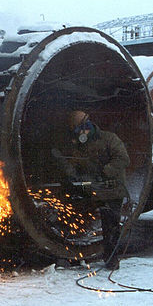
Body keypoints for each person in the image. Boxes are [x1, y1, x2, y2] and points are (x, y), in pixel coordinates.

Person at [52, 110, 130, 270]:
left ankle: (112, 258)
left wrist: (106, 171)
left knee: (110, 226)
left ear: (88, 126)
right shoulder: (79, 146)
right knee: (72, 216)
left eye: (83, 129)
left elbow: (123, 159)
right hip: (92, 190)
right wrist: (69, 171)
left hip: (111, 190)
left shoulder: (109, 139)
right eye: (77, 131)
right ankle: (72, 254)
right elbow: (73, 164)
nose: (82, 133)